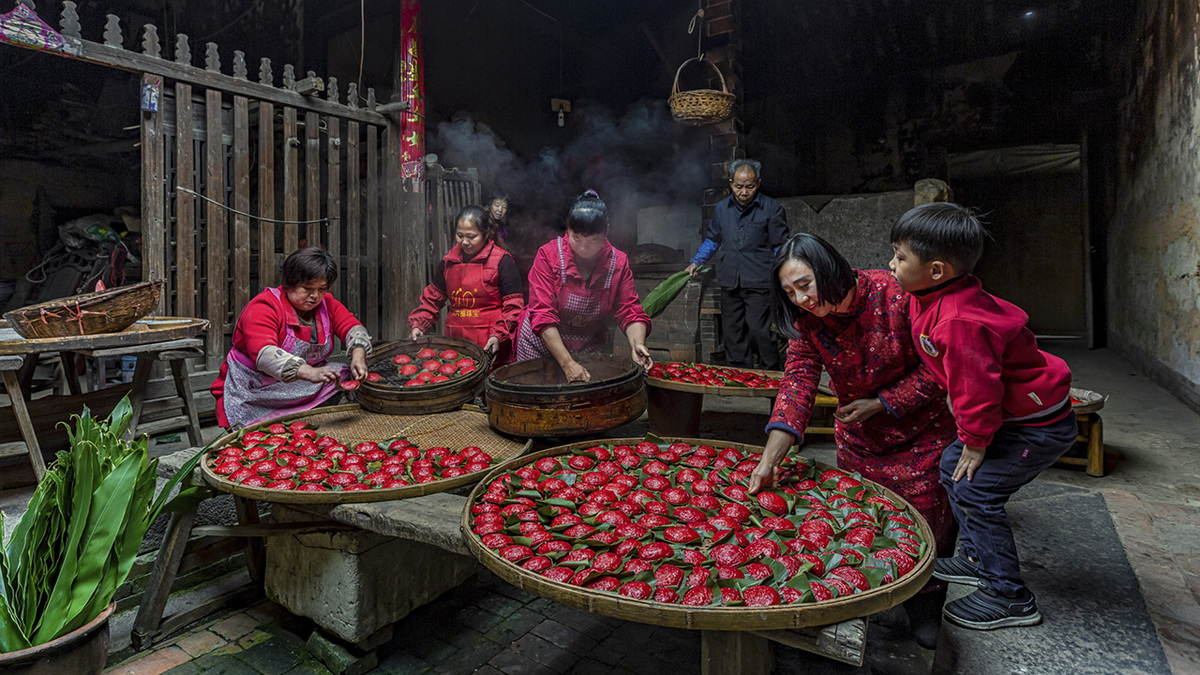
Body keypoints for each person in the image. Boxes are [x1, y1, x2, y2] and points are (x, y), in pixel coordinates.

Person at [746, 233, 957, 648]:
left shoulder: (897, 294)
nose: (801, 300)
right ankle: (870, 593)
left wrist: (882, 402)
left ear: (828, 269)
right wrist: (769, 459)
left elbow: (941, 369)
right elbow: (798, 383)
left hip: (922, 438)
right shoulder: (808, 323)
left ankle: (926, 605)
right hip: (859, 441)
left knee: (928, 525)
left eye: (805, 284)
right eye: (789, 293)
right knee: (865, 523)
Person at [889, 202, 1076, 630]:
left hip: (1035, 425)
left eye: (900, 257)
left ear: (936, 270)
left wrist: (975, 440)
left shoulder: (958, 319)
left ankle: (1009, 596)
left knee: (976, 490)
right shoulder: (932, 294)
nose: (891, 265)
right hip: (1010, 418)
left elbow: (978, 387)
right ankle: (976, 557)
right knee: (953, 468)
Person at [212, 246, 371, 429]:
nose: (315, 296)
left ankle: (314, 422)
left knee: (341, 372)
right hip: (255, 390)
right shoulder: (263, 307)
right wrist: (310, 372)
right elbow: (266, 353)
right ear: (289, 283)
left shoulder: (327, 304)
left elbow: (351, 326)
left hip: (298, 384)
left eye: (322, 289)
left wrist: (359, 354)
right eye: (307, 288)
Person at [514, 190, 653, 382]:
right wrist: (567, 363)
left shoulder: (617, 262)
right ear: (568, 229)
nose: (582, 248)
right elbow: (543, 314)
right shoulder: (548, 256)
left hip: (588, 348)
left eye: (593, 241)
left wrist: (637, 343)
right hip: (541, 345)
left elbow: (629, 309)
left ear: (606, 232)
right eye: (576, 238)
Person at [685, 158, 789, 370]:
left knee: (759, 330)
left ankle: (771, 372)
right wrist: (697, 261)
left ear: (758, 183)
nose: (744, 192)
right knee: (732, 330)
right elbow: (713, 239)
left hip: (759, 279)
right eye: (738, 186)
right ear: (731, 183)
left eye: (749, 186)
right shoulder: (722, 208)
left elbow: (781, 245)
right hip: (730, 277)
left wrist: (785, 271)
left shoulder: (772, 208)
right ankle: (738, 373)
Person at [408, 205, 525, 362]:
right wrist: (419, 324)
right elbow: (433, 299)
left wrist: (498, 335)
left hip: (490, 342)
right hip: (455, 342)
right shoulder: (448, 262)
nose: (464, 242)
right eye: (460, 235)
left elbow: (513, 306)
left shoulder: (502, 262)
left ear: (486, 234)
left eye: (471, 236)